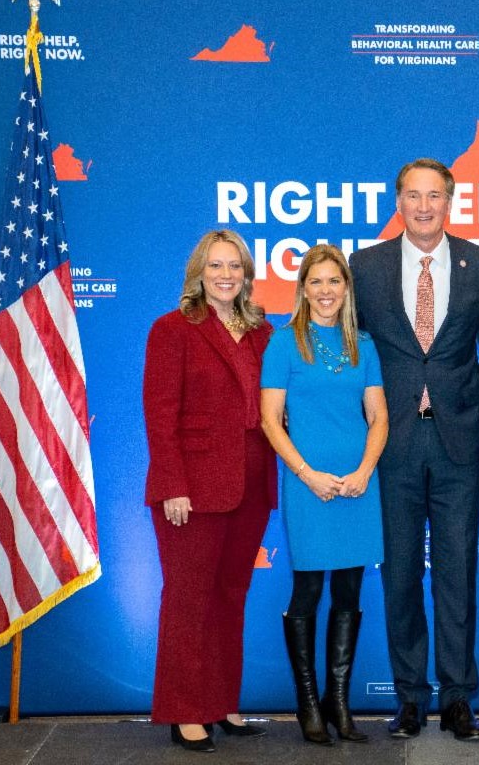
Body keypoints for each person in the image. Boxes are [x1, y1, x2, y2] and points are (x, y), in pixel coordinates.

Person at [348, 158, 479, 741]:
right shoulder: (365, 266)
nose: (423, 206)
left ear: (449, 202)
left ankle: (459, 698)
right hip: (392, 441)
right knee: (401, 573)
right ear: (398, 202)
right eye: (413, 195)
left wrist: (477, 388)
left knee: (457, 573)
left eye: (433, 196)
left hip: (458, 437)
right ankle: (410, 698)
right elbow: (348, 345)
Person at [143, 230, 277, 753]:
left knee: (230, 596)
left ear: (247, 274)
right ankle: (184, 710)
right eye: (216, 266)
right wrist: (172, 485)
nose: (226, 275)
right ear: (198, 273)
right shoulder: (172, 329)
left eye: (235, 266)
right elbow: (159, 415)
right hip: (191, 491)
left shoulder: (263, 332)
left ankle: (222, 702)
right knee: (188, 599)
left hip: (252, 486)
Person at [259, 244, 388, 746]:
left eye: (335, 280)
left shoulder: (364, 345)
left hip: (358, 485)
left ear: (346, 288)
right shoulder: (284, 343)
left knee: (349, 592)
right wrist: (307, 474)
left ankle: (339, 702)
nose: (326, 290)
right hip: (307, 484)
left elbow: (378, 417)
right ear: (303, 289)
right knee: (308, 591)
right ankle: (308, 703)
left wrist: (364, 471)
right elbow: (271, 421)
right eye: (316, 281)